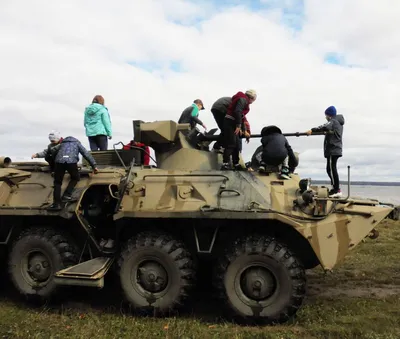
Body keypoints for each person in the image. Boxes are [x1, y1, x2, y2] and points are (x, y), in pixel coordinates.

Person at [47, 136, 98, 211]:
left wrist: (54, 163)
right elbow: (86, 154)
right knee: (75, 177)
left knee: (57, 182)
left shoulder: (62, 144)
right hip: (71, 162)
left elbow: (52, 151)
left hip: (59, 162)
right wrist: (94, 166)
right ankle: (67, 195)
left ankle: (56, 204)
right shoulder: (77, 143)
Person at [306, 105, 345, 198]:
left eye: (326, 115)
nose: (325, 117)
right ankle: (335, 188)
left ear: (329, 115)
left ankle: (336, 190)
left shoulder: (333, 121)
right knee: (330, 169)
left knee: (331, 169)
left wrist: (312, 130)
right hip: (334, 149)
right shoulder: (337, 122)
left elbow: (324, 127)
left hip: (333, 149)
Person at [221, 89, 256, 170]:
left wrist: (245, 131)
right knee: (231, 143)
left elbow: (242, 116)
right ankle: (225, 163)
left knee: (236, 145)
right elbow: (238, 111)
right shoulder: (242, 99)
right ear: (251, 98)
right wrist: (238, 125)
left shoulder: (243, 100)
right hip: (230, 122)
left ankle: (236, 163)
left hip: (234, 123)